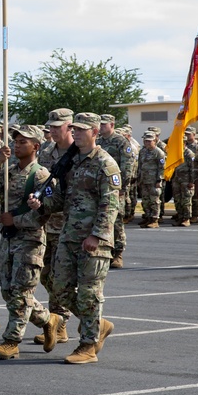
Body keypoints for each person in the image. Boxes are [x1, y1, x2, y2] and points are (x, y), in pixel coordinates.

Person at [32, 112, 121, 364]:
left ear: (95, 132)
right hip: (69, 235)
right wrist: (41, 204)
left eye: (83, 129)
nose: (78, 133)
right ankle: (96, 324)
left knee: (89, 293)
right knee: (57, 287)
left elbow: (110, 205)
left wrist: (98, 235)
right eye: (75, 129)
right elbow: (61, 198)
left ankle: (88, 345)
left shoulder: (105, 163)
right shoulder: (71, 162)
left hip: (93, 240)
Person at [0, 124, 63, 360]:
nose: (17, 145)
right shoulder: (8, 171)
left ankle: (11, 341)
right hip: (8, 240)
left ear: (36, 146)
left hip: (30, 240)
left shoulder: (41, 175)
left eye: (23, 142)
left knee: (21, 291)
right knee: (8, 291)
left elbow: (46, 212)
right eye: (16, 141)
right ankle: (49, 319)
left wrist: (15, 220)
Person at [33, 107, 74, 347]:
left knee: (62, 278)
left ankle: (60, 324)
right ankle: (59, 320)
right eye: (51, 126)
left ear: (70, 127)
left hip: (70, 224)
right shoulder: (47, 152)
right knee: (47, 275)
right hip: (48, 221)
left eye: (57, 127)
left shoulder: (79, 153)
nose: (52, 131)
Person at [96, 114, 135, 269]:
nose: (101, 127)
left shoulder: (121, 142)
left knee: (116, 220)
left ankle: (118, 253)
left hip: (115, 188)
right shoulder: (98, 142)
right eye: (100, 124)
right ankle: (105, 251)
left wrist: (121, 188)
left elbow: (127, 166)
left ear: (112, 124)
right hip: (99, 188)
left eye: (104, 124)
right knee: (102, 220)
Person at [136, 131, 166, 228]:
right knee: (145, 200)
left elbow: (162, 168)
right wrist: (139, 178)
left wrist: (159, 180)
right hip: (144, 180)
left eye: (150, 141)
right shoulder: (142, 151)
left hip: (153, 181)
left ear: (154, 141)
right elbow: (140, 166)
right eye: (146, 141)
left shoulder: (159, 152)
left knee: (154, 201)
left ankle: (154, 219)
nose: (147, 143)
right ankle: (148, 218)